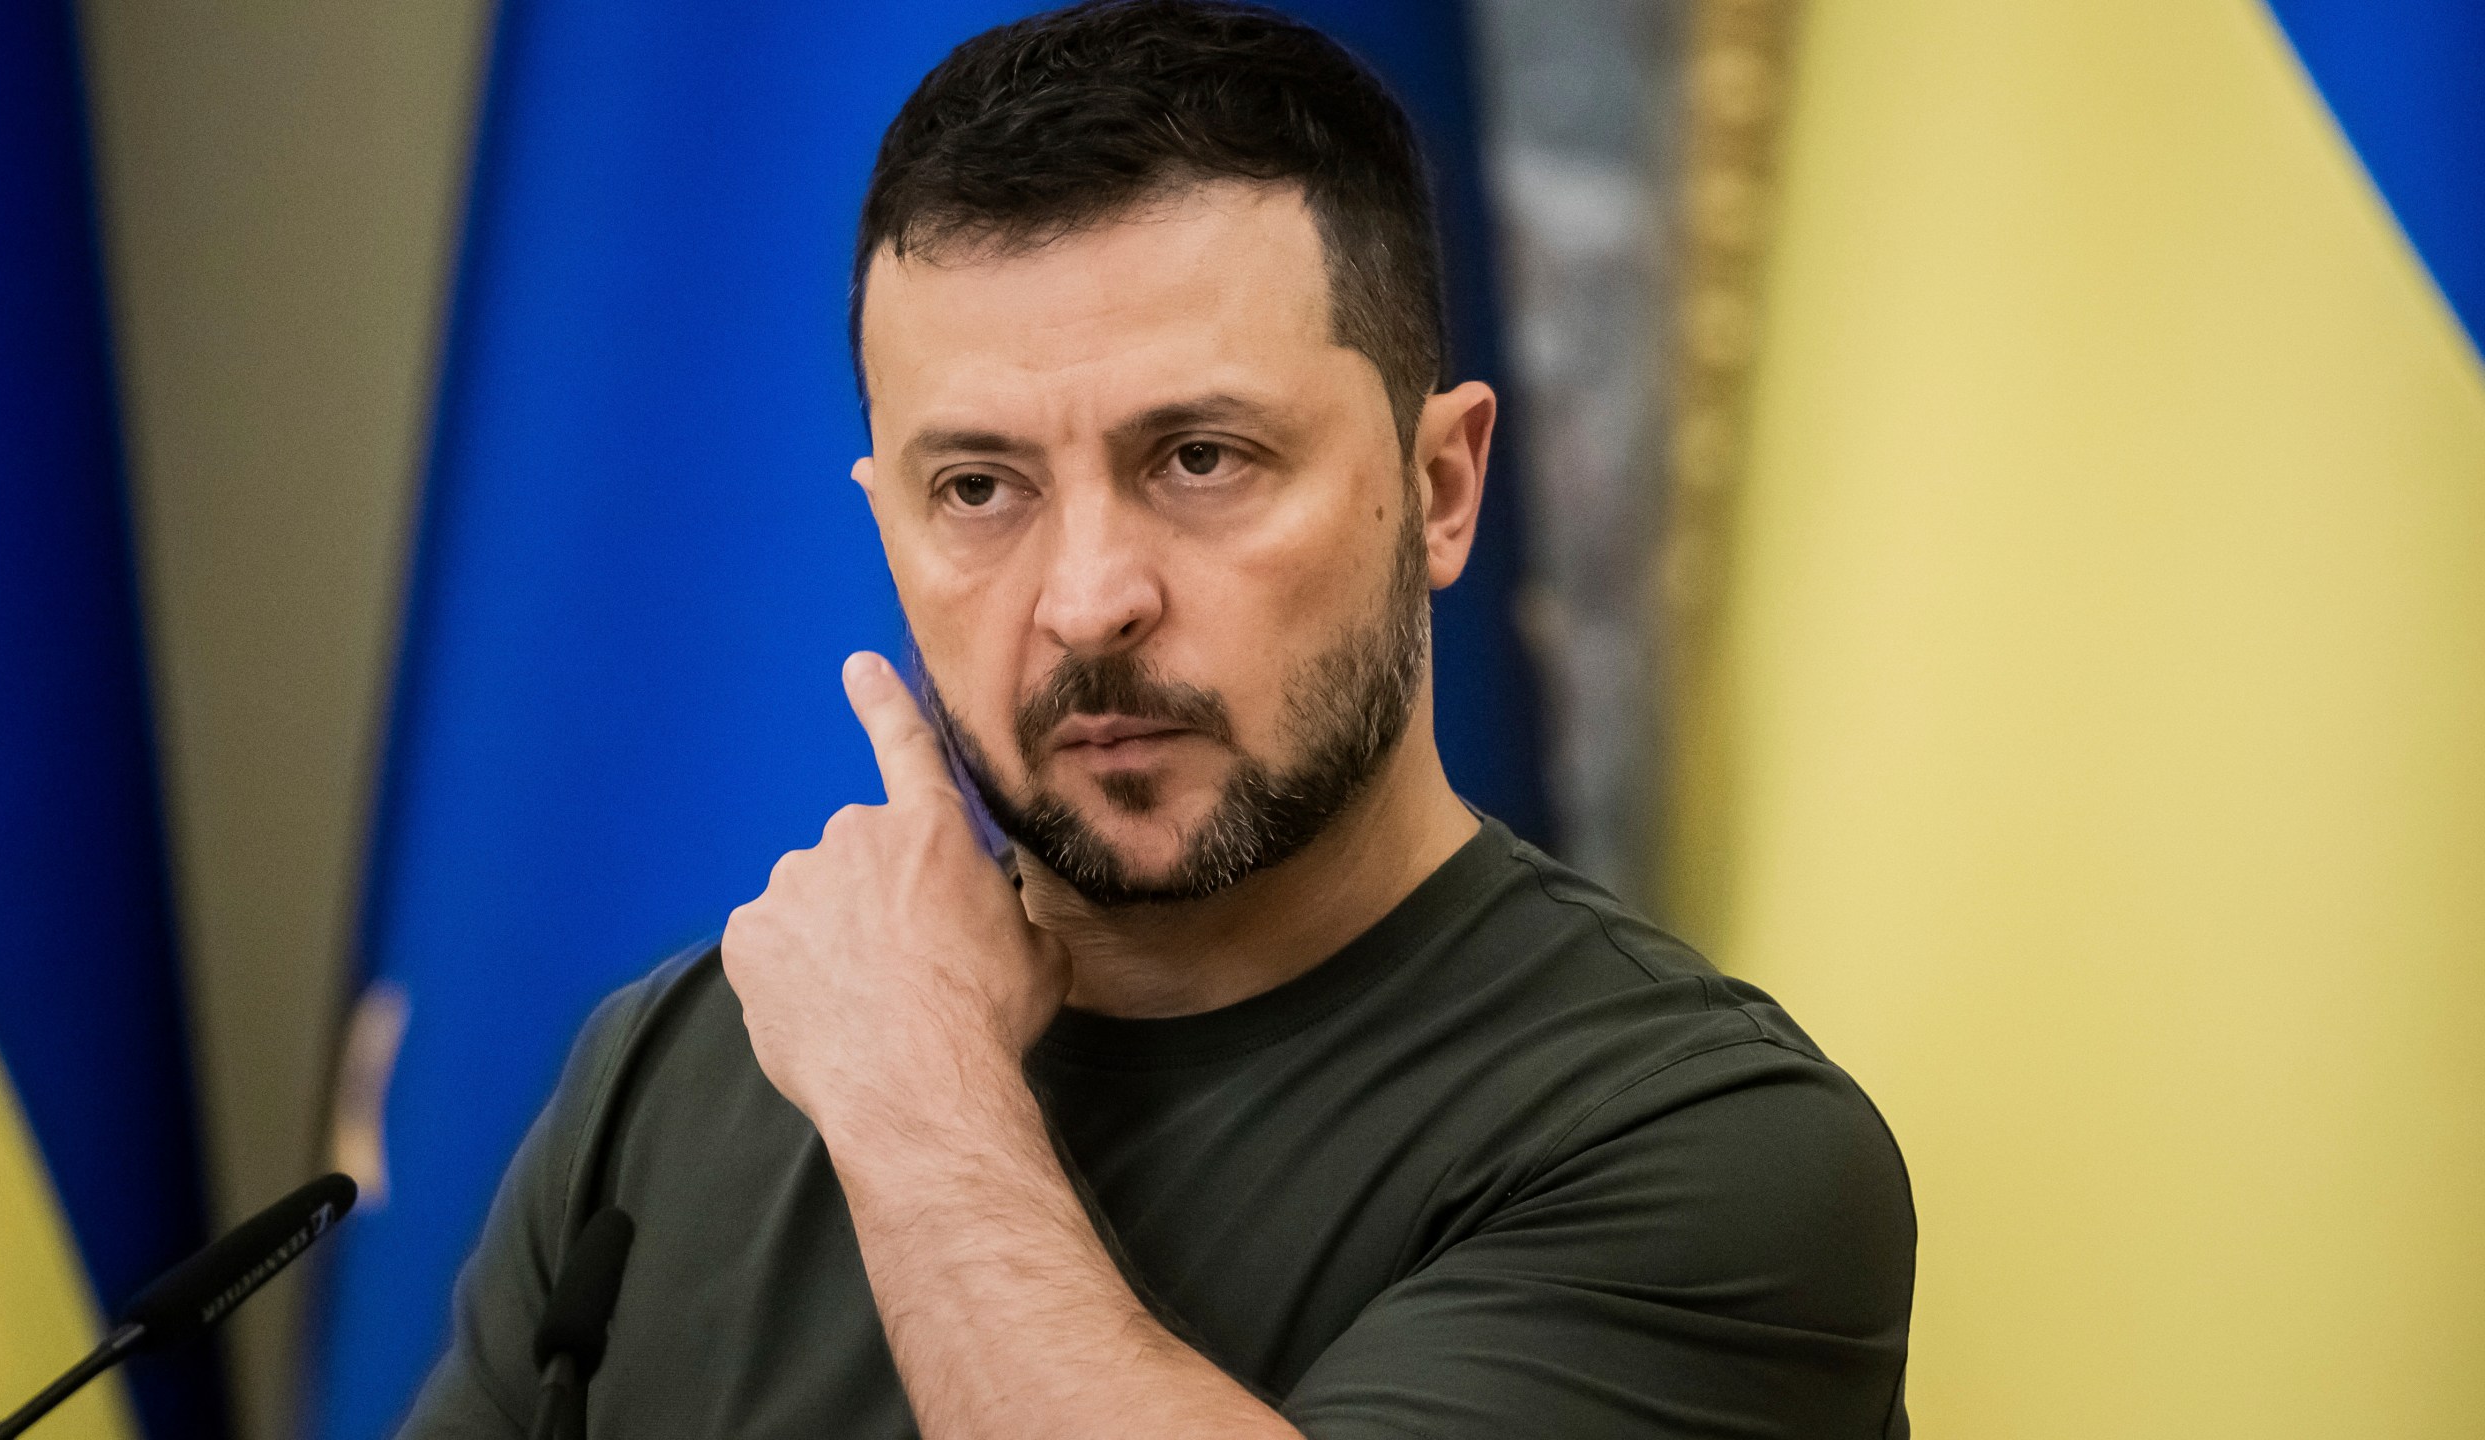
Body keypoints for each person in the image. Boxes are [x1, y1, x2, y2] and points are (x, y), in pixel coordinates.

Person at [397, 2, 1915, 1435]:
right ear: (886, 531)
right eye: (978, 489)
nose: (1087, 600)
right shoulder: (672, 1072)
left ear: (1441, 488)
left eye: (1200, 458)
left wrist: (916, 1101)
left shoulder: (1711, 1155)